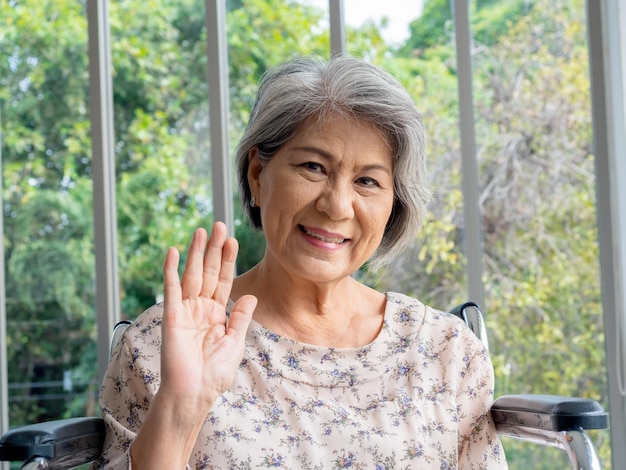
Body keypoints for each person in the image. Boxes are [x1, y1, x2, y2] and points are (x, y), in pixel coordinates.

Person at [93, 55, 506, 469]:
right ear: (257, 173)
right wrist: (181, 405)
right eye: (313, 167)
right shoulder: (161, 343)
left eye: (368, 181)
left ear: (393, 203)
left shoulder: (446, 352)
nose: (337, 205)